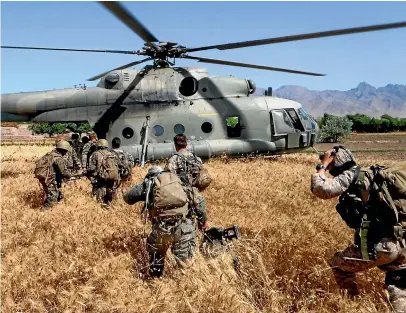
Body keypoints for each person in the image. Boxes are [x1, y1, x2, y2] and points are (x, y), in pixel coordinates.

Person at [311, 146, 406, 312]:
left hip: (382, 246)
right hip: (402, 242)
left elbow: (321, 189)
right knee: (398, 285)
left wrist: (323, 166)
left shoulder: (351, 175)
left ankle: (351, 304)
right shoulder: (374, 174)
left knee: (338, 265)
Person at [123, 166, 203, 278]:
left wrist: (145, 185)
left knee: (156, 257)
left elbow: (127, 198)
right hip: (183, 227)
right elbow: (199, 202)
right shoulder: (179, 181)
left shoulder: (150, 184)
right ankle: (182, 285)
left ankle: (155, 281)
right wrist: (202, 221)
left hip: (161, 229)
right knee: (184, 265)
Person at [165, 134, 209, 231]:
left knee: (182, 222)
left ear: (175, 145)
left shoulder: (173, 160)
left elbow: (168, 178)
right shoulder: (196, 158)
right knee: (202, 222)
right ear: (186, 144)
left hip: (179, 195)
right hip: (196, 195)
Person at [34, 140, 72, 209]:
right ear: (64, 150)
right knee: (52, 198)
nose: (66, 153)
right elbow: (64, 172)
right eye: (66, 151)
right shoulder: (58, 159)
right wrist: (70, 176)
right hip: (50, 180)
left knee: (58, 196)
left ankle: (53, 211)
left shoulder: (51, 154)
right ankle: (43, 212)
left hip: (46, 178)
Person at [86, 139, 119, 208]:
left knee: (99, 200)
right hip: (111, 178)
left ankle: (101, 212)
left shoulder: (95, 154)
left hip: (100, 180)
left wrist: (87, 173)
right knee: (109, 199)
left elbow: (91, 168)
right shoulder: (112, 154)